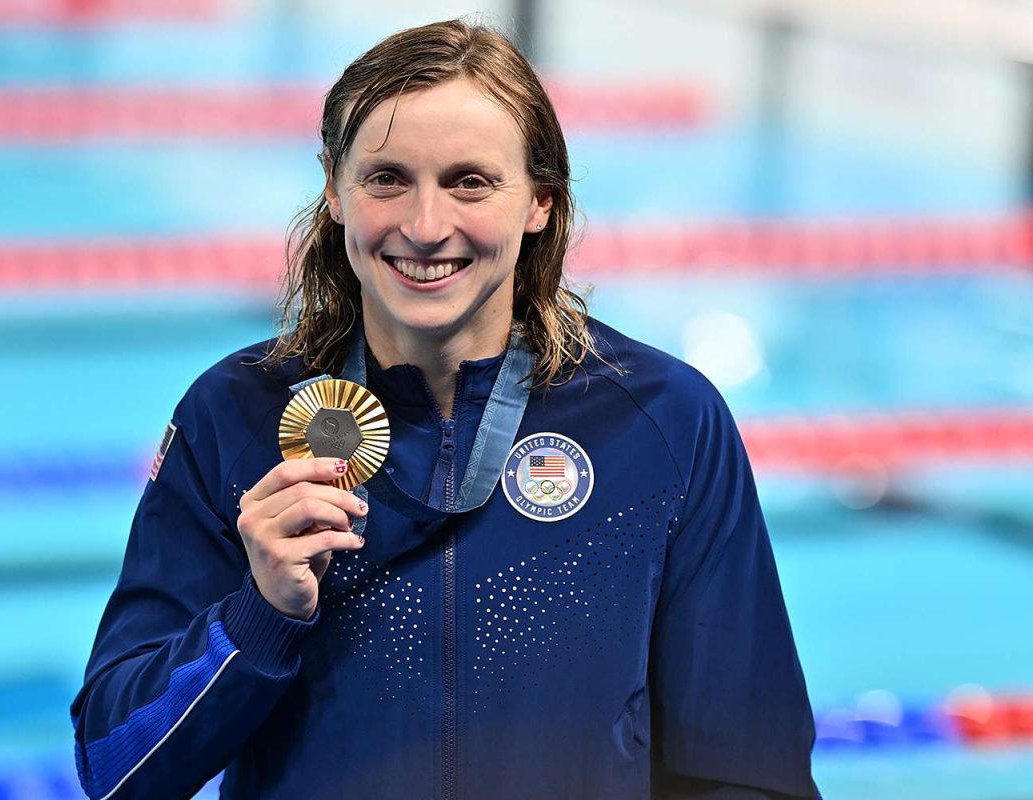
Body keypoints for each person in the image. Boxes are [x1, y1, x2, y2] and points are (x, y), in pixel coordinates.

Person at [70, 19, 821, 800]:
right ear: (334, 189)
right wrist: (259, 614)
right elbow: (116, 768)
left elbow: (747, 768)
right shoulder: (236, 415)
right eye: (387, 179)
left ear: (539, 201)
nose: (425, 228)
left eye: (470, 181)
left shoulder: (662, 420)